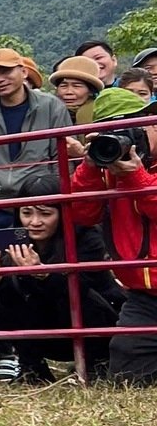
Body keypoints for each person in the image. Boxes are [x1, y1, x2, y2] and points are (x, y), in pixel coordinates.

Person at [0, 173, 121, 381]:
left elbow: (82, 290)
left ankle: (97, 362)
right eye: (26, 213)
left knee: (81, 296)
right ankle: (31, 367)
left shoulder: (85, 237)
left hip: (94, 324)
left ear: (62, 213)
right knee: (4, 301)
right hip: (43, 331)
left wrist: (43, 273)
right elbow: (8, 302)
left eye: (45, 214)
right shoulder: (12, 240)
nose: (34, 222)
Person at [66, 120, 157, 383]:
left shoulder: (131, 173)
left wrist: (136, 177)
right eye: (113, 131)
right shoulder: (108, 167)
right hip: (144, 297)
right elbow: (82, 215)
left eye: (143, 126)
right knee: (126, 371)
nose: (131, 136)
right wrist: (91, 167)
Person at [0, 47, 67, 207]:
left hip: (41, 199)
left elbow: (62, 156)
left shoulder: (50, 105)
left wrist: (60, 198)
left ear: (24, 72)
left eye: (6, 72)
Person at [48, 55, 104, 128]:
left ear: (90, 91)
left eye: (76, 86)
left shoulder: (100, 115)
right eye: (63, 86)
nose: (69, 92)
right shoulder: (48, 113)